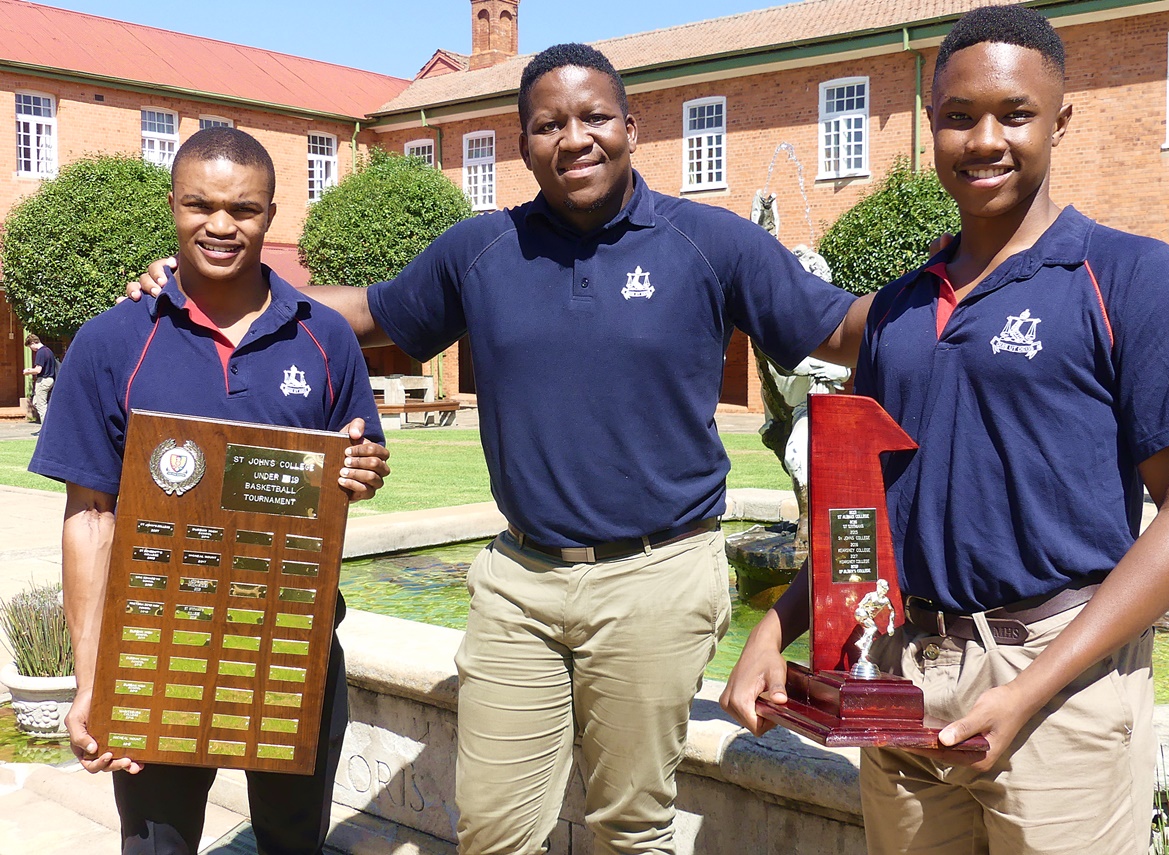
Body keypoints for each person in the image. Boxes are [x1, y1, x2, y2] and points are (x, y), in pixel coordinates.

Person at [133, 43, 865, 855]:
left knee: (631, 827)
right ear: (524, 147)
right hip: (520, 579)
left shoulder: (710, 241)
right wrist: (209, 287)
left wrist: (950, 302)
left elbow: (835, 327)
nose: (574, 137)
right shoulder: (484, 249)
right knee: (491, 830)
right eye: (549, 124)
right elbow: (365, 314)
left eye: (593, 117)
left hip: (657, 572)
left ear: (631, 126)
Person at [720, 7, 1169, 854]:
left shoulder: (1129, 277)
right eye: (959, 116)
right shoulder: (898, 308)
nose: (984, 139)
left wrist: (1030, 687)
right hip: (904, 669)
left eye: (1015, 114)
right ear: (931, 128)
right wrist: (778, 628)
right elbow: (862, 513)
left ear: (1060, 121)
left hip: (1060, 679)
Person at [30, 127, 390, 855]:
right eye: (200, 204)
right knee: (157, 847)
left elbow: (352, 463)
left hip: (294, 644)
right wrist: (92, 679)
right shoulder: (110, 342)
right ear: (172, 205)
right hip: (158, 648)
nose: (221, 225)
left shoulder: (325, 338)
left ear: (270, 213)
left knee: (294, 844)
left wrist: (362, 473)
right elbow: (91, 519)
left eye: (243, 209)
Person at [21, 332, 57, 423]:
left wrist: (28, 371)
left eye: (30, 347)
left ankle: (46, 429)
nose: (31, 349)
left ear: (33, 343)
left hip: (43, 380)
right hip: (50, 379)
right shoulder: (48, 351)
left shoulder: (40, 352)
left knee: (41, 406)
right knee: (36, 402)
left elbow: (38, 370)